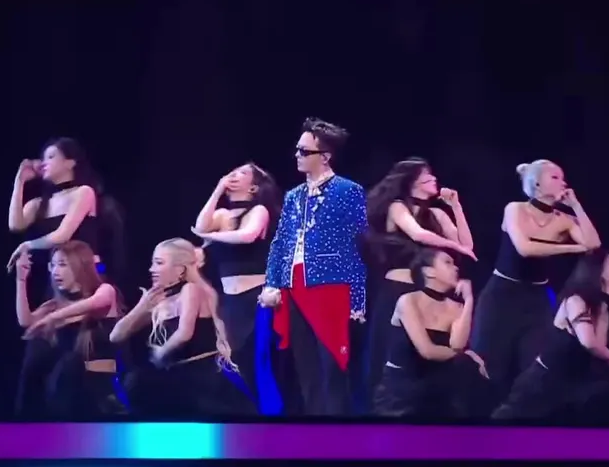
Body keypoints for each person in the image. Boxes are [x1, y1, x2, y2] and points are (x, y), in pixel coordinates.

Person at [469, 159, 601, 409]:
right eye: (555, 177)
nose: (563, 182)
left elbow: (593, 244)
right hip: (501, 295)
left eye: (563, 177)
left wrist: (576, 205)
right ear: (537, 184)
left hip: (536, 299)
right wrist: (573, 248)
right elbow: (525, 248)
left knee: (534, 368)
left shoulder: (564, 219)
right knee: (489, 366)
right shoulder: (515, 209)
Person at [261, 117, 368, 416]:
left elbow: (358, 246)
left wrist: (357, 299)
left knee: (333, 366)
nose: (297, 155)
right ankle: (313, 430)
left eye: (304, 151)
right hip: (294, 287)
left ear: (325, 156)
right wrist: (272, 283)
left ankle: (338, 431)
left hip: (331, 286)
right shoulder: (293, 196)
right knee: (305, 368)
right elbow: (280, 242)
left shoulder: (348, 191)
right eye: (297, 149)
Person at [363, 158, 475, 400]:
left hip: (429, 293)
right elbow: (418, 234)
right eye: (427, 174)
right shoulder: (397, 207)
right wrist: (454, 246)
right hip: (398, 290)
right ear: (413, 181)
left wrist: (456, 207)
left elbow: (467, 245)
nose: (434, 178)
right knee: (392, 353)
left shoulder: (437, 213)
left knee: (426, 359)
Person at [492, 250, 609, 422]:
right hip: (543, 384)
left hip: (576, 392)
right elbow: (589, 342)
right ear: (597, 270)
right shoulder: (576, 301)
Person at [110, 238, 255, 416]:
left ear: (180, 270)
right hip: (177, 380)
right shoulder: (161, 301)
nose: (151, 269)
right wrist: (141, 307)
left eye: (159, 263)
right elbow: (115, 336)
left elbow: (185, 332)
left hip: (200, 381)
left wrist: (161, 353)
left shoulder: (191, 290)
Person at [191, 163, 283, 411]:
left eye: (242, 172)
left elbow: (246, 235)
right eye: (232, 171)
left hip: (256, 298)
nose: (233, 174)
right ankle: (250, 411)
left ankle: (272, 414)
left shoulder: (259, 211)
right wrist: (218, 190)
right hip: (229, 301)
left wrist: (211, 238)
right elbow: (200, 226)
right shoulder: (222, 215)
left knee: (259, 360)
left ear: (253, 187)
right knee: (232, 359)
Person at [13, 240, 127, 419]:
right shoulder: (54, 305)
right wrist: (21, 280)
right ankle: (25, 418)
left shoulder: (105, 291)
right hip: (62, 386)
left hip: (97, 386)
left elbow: (94, 303)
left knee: (71, 363)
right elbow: (26, 321)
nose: (55, 271)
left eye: (62, 264)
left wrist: (53, 318)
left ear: (80, 266)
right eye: (53, 265)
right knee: (36, 349)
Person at [7, 137, 128, 301]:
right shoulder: (40, 203)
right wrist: (19, 181)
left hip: (85, 274)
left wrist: (27, 245)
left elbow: (62, 235)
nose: (44, 163)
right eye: (43, 158)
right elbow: (15, 225)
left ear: (70, 162)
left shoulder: (83, 192)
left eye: (51, 157)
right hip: (58, 277)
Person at [372, 249, 488, 418]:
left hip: (435, 388)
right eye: (447, 263)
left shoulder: (456, 307)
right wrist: (466, 355)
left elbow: (457, 345)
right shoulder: (408, 300)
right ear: (429, 271)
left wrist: (469, 300)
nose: (456, 268)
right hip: (400, 390)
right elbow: (427, 350)